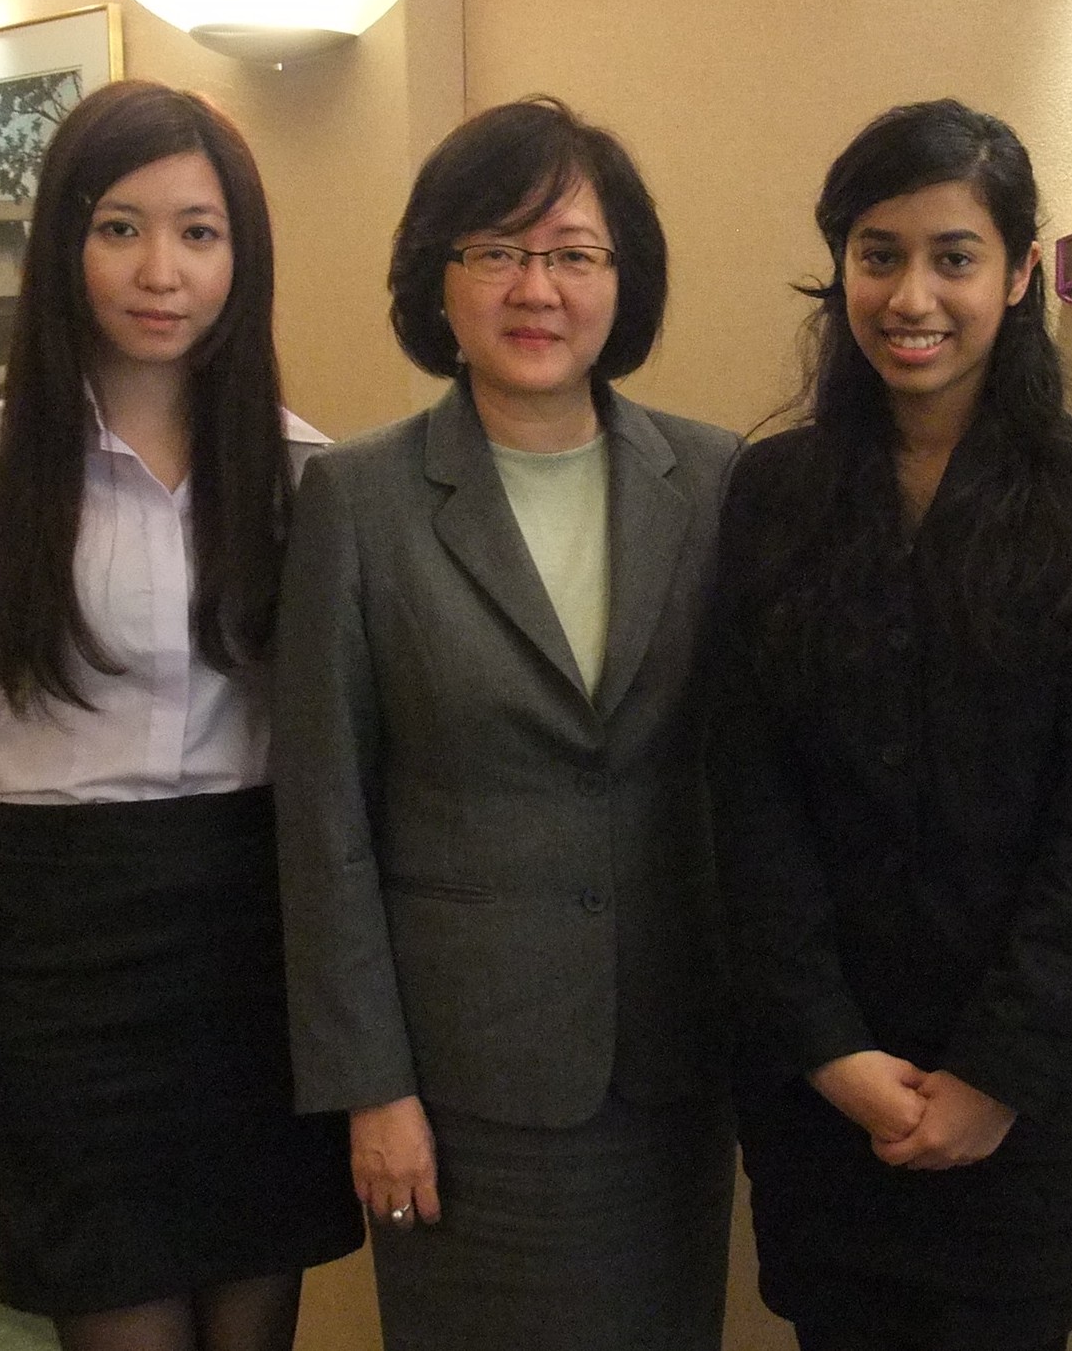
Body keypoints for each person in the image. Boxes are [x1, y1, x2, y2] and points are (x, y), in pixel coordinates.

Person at [707, 99, 1072, 1351]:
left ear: (1020, 273)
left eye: (953, 257)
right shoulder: (774, 493)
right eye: (879, 254)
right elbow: (748, 798)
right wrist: (828, 1054)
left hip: (1026, 1096)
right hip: (820, 1092)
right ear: (841, 270)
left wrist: (993, 1078)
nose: (912, 295)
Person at [0, 80, 362, 1351]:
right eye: (121, 226)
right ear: (64, 243)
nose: (161, 269)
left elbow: (324, 730)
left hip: (256, 933)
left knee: (254, 1317)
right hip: (65, 948)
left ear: (240, 256)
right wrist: (51, 880)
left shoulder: (302, 469)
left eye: (200, 232)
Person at [272, 96, 739, 1351]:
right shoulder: (358, 502)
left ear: (620, 281)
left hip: (671, 1069)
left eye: (573, 253)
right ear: (441, 278)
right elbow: (325, 826)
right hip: (464, 1090)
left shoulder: (715, 482)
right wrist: (375, 1088)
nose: (537, 286)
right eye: (495, 250)